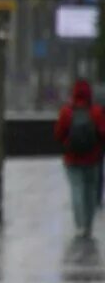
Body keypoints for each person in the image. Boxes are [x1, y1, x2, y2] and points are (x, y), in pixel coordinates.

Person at [53, 79, 105, 238]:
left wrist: (67, 144)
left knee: (76, 188)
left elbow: (58, 134)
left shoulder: (66, 112)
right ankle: (88, 224)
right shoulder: (96, 112)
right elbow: (103, 133)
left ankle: (79, 224)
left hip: (72, 159)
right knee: (90, 190)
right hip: (93, 159)